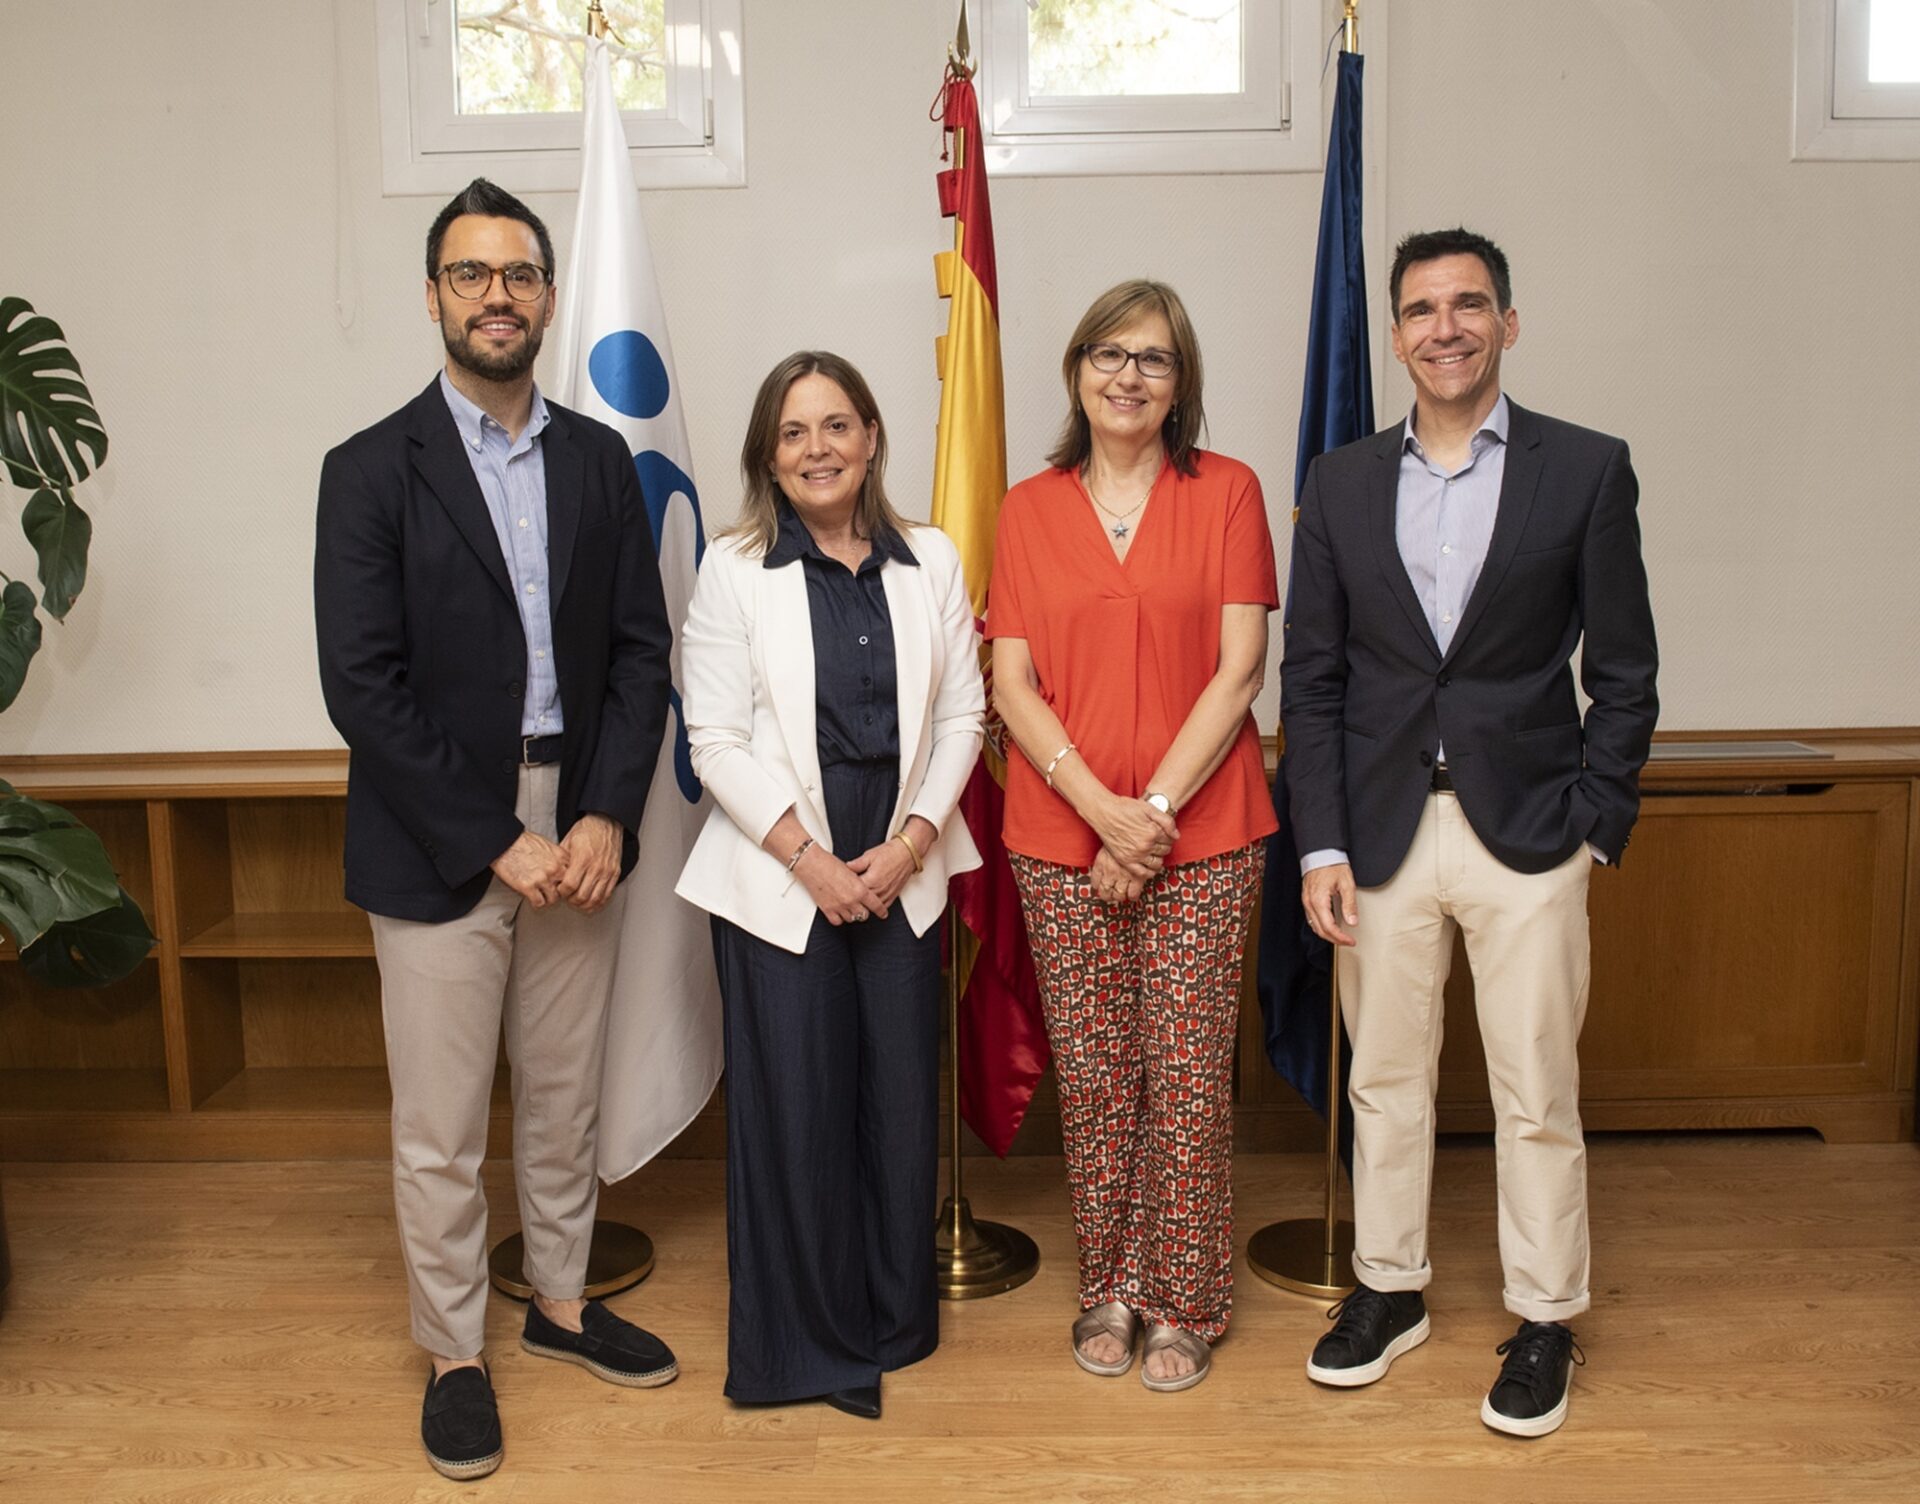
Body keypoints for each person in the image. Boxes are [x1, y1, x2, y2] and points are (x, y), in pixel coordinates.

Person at [314, 178, 678, 1482]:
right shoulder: (368, 471)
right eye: (470, 274)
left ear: (549, 297)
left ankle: (563, 1306)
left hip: (577, 824)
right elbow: (363, 686)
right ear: (433, 297)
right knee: (442, 1126)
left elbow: (640, 654)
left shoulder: (597, 463)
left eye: (519, 274)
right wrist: (494, 838)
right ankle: (455, 1354)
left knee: (565, 1095)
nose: (497, 296)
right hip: (440, 835)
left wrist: (604, 812)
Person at [1283, 227, 1659, 1437]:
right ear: (1396, 334)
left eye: (1469, 304)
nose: (1444, 326)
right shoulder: (1341, 482)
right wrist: (1321, 843)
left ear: (1508, 322)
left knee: (1535, 1087)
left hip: (1531, 833)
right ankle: (1389, 1290)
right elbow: (1314, 680)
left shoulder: (1585, 469)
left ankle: (1545, 1317)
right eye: (1421, 309)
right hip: (1379, 836)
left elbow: (1627, 669)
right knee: (1384, 1081)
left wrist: (1597, 821)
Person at [675, 351, 984, 1419]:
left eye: (837, 425)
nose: (819, 448)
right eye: (795, 431)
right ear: (769, 454)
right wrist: (810, 860)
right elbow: (713, 741)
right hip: (781, 875)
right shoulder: (733, 568)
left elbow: (964, 717)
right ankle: (807, 1340)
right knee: (797, 1108)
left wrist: (911, 844)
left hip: (901, 864)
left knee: (897, 1106)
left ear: (872, 437)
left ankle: (893, 1319)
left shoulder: (929, 558)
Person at [987, 280, 1279, 1393]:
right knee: (1099, 1075)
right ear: (1076, 373)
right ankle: (1111, 1283)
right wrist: (1099, 811)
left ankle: (1186, 1297)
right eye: (1108, 354)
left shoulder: (1229, 492)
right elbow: (1010, 682)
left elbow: (1240, 671)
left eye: (1154, 358)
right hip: (1059, 835)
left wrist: (1148, 815)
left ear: (1180, 381)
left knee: (1190, 1076)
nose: (1128, 375)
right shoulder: (1028, 508)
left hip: (1205, 834)